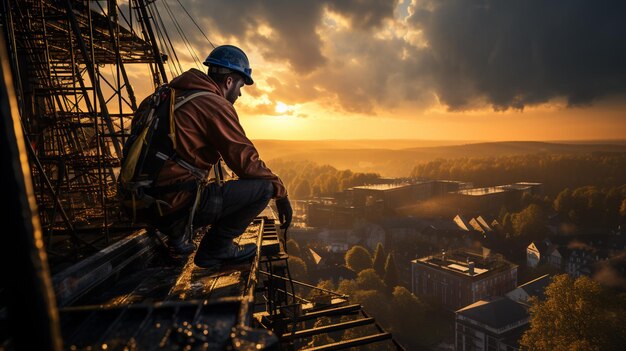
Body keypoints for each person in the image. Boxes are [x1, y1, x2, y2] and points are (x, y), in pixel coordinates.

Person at [139, 44, 292, 268]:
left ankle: (177, 231)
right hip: (172, 204)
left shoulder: (161, 98)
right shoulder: (213, 104)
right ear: (229, 81)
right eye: (240, 86)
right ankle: (217, 248)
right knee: (264, 188)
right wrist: (281, 193)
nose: (239, 94)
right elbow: (245, 161)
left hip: (140, 201)